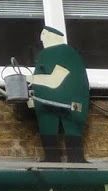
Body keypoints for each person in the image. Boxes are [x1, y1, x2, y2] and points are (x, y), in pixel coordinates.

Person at [28, 25, 90, 163]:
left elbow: (55, 80)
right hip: (46, 104)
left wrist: (27, 78)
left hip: (69, 103)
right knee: (47, 125)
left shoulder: (64, 53)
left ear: (53, 36)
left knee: (71, 126)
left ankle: (75, 158)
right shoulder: (46, 54)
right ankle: (52, 157)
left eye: (44, 35)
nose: (42, 38)